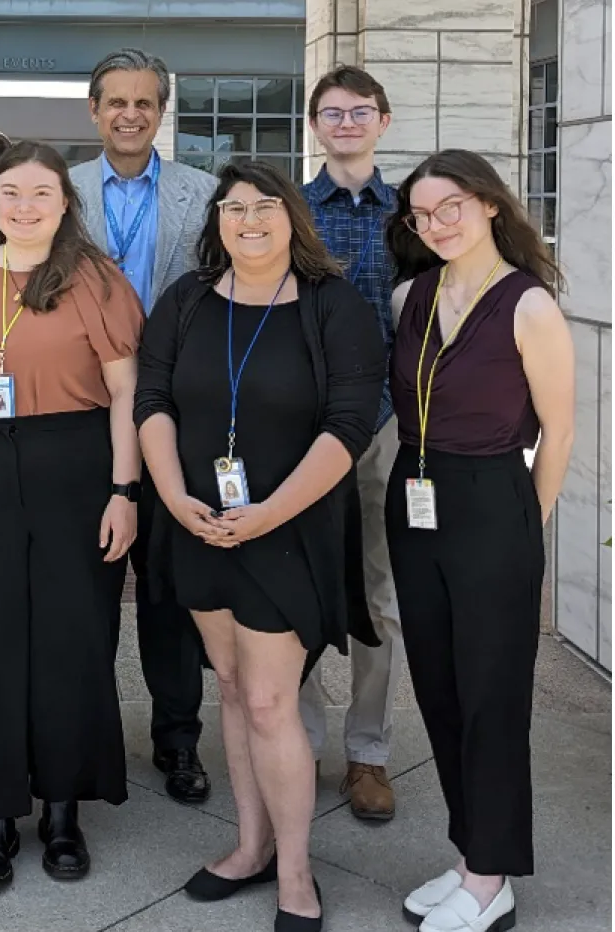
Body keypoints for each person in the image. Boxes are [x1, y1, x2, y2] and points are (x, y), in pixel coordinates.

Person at [136, 161, 385, 931]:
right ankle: (249, 847)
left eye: (265, 206)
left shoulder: (332, 306)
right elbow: (152, 401)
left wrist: (272, 511)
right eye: (234, 207)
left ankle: (297, 872)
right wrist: (174, 495)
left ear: (292, 219)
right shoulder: (184, 303)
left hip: (289, 529)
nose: (249, 219)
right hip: (200, 526)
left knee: (274, 700)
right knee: (236, 693)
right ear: (215, 223)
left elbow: (348, 425)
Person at [0, 141, 143, 891]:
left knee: (72, 636)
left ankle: (60, 812)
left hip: (76, 468)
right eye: (10, 192)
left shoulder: (95, 280)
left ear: (64, 203)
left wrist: (124, 490)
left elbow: (124, 395)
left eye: (40, 193)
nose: (24, 206)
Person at [384, 150, 573, 932]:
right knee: (439, 685)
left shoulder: (529, 305)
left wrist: (525, 528)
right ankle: (472, 856)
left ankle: (491, 878)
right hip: (415, 496)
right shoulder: (409, 296)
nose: (437, 225)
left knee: (493, 698)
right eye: (421, 216)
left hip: (495, 502)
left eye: (450, 206)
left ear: (491, 203)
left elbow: (559, 430)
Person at [69, 47, 219, 805]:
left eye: (145, 103)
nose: (130, 115)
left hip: (172, 415)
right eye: (116, 103)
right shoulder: (55, 193)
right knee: (87, 587)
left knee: (168, 590)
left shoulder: (206, 192)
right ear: (93, 112)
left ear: (161, 112)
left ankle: (178, 738)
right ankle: (88, 731)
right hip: (78, 415)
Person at [299, 65, 406, 823]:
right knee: (296, 585)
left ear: (382, 121)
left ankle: (367, 752)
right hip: (302, 426)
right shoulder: (289, 211)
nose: (345, 123)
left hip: (387, 424)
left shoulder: (411, 214)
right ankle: (296, 744)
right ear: (314, 126)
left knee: (381, 593)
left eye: (358, 111)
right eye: (331, 113)